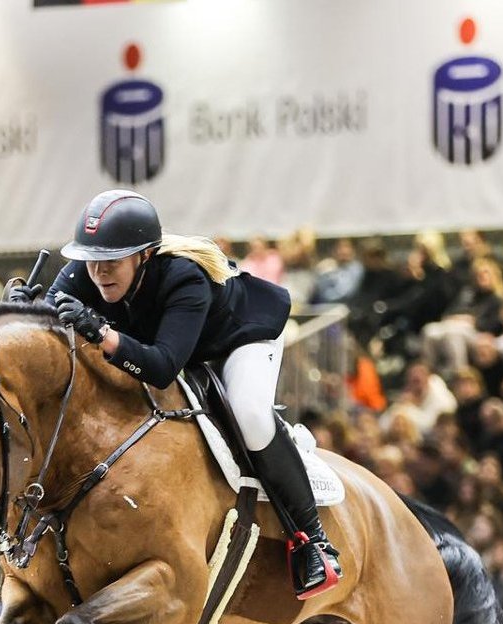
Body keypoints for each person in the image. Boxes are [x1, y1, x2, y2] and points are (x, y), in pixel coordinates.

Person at [38, 189, 340, 598]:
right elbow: (48, 309)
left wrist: (103, 333)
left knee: (249, 415)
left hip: (238, 339)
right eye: (93, 261)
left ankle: (313, 542)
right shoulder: (84, 269)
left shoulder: (183, 276)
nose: (99, 273)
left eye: (112, 262)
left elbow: (162, 368)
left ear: (143, 255)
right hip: (175, 346)